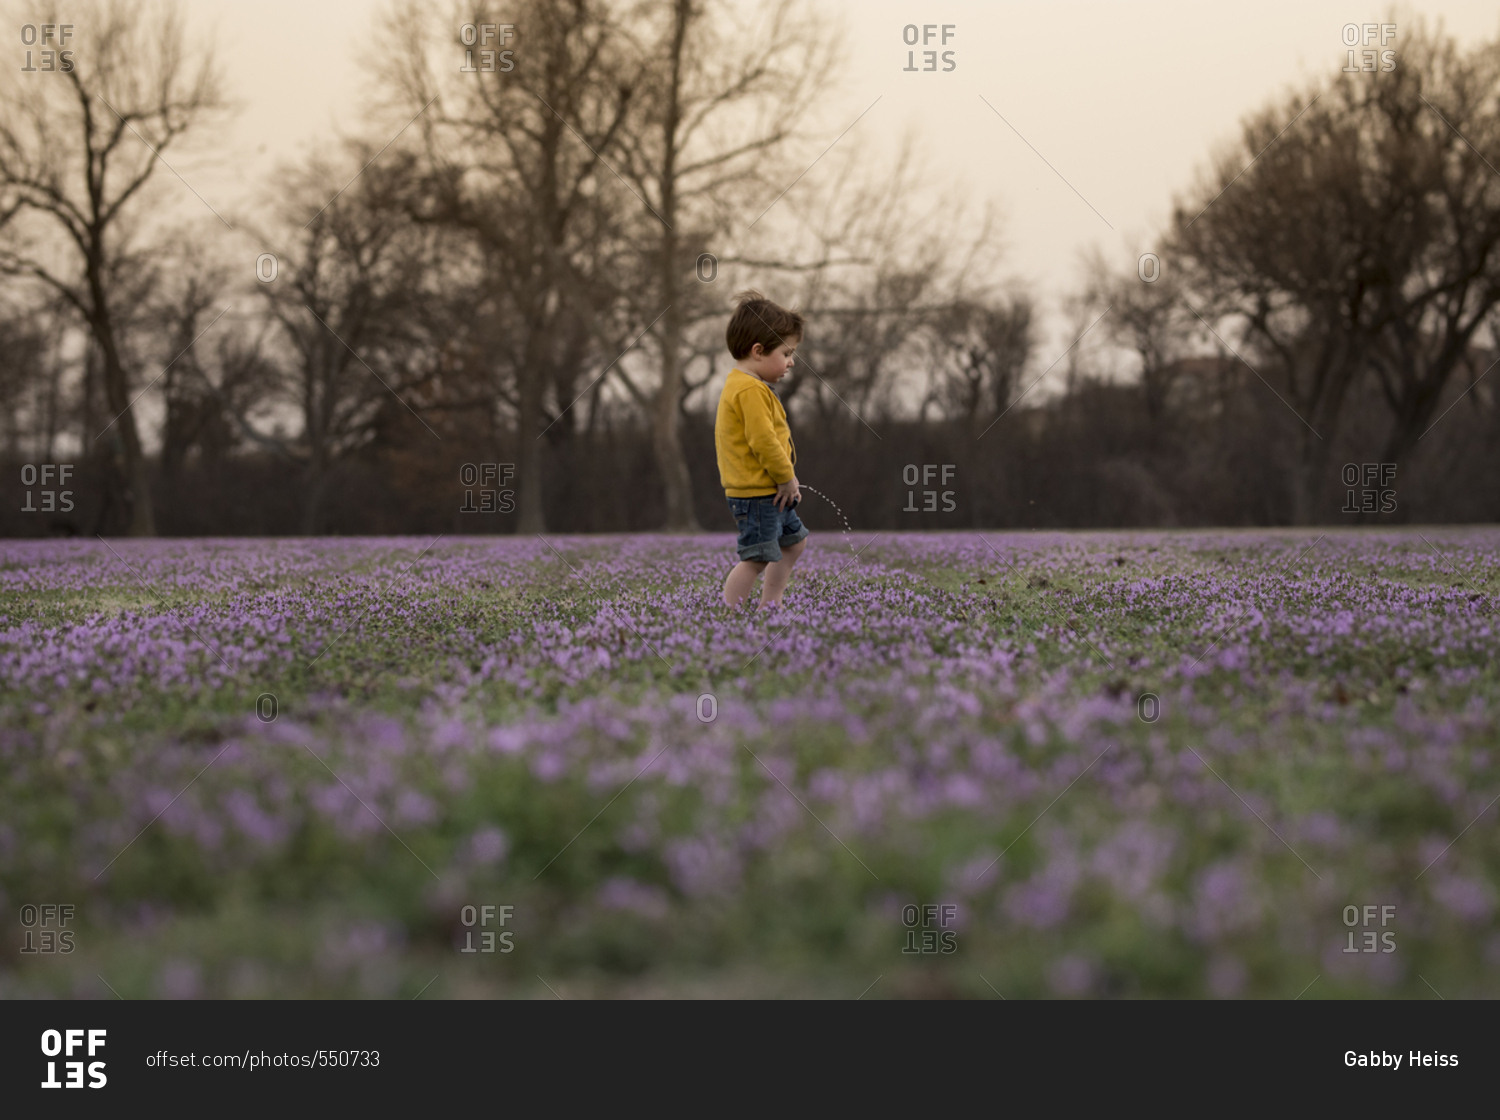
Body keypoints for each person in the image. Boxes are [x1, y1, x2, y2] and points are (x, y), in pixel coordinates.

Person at [715, 290, 808, 609]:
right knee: (756, 559)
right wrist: (786, 477)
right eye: (786, 353)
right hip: (758, 494)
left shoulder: (749, 386)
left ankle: (772, 603)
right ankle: (731, 613)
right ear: (758, 351)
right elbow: (763, 441)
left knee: (793, 543)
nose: (791, 361)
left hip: (769, 490)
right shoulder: (748, 390)